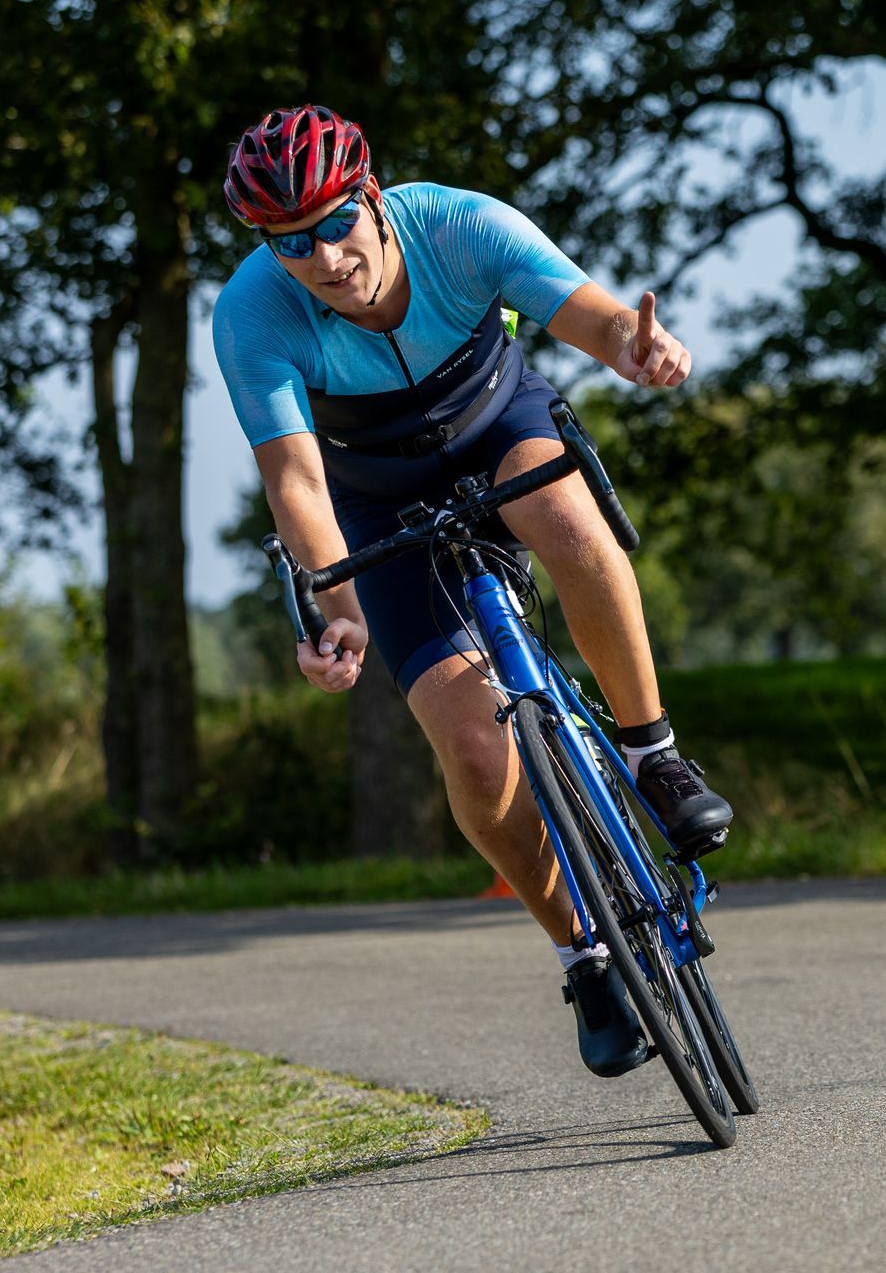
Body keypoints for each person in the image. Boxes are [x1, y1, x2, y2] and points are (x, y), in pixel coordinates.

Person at [214, 104, 732, 1079]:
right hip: (374, 500)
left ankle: (653, 753)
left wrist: (639, 345)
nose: (324, 256)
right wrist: (341, 610)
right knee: (472, 748)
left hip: (499, 427)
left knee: (571, 523)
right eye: (292, 241)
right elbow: (295, 481)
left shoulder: (458, 224)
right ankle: (583, 952)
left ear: (372, 197)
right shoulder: (252, 312)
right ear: (267, 247)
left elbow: (596, 317)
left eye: (335, 223)